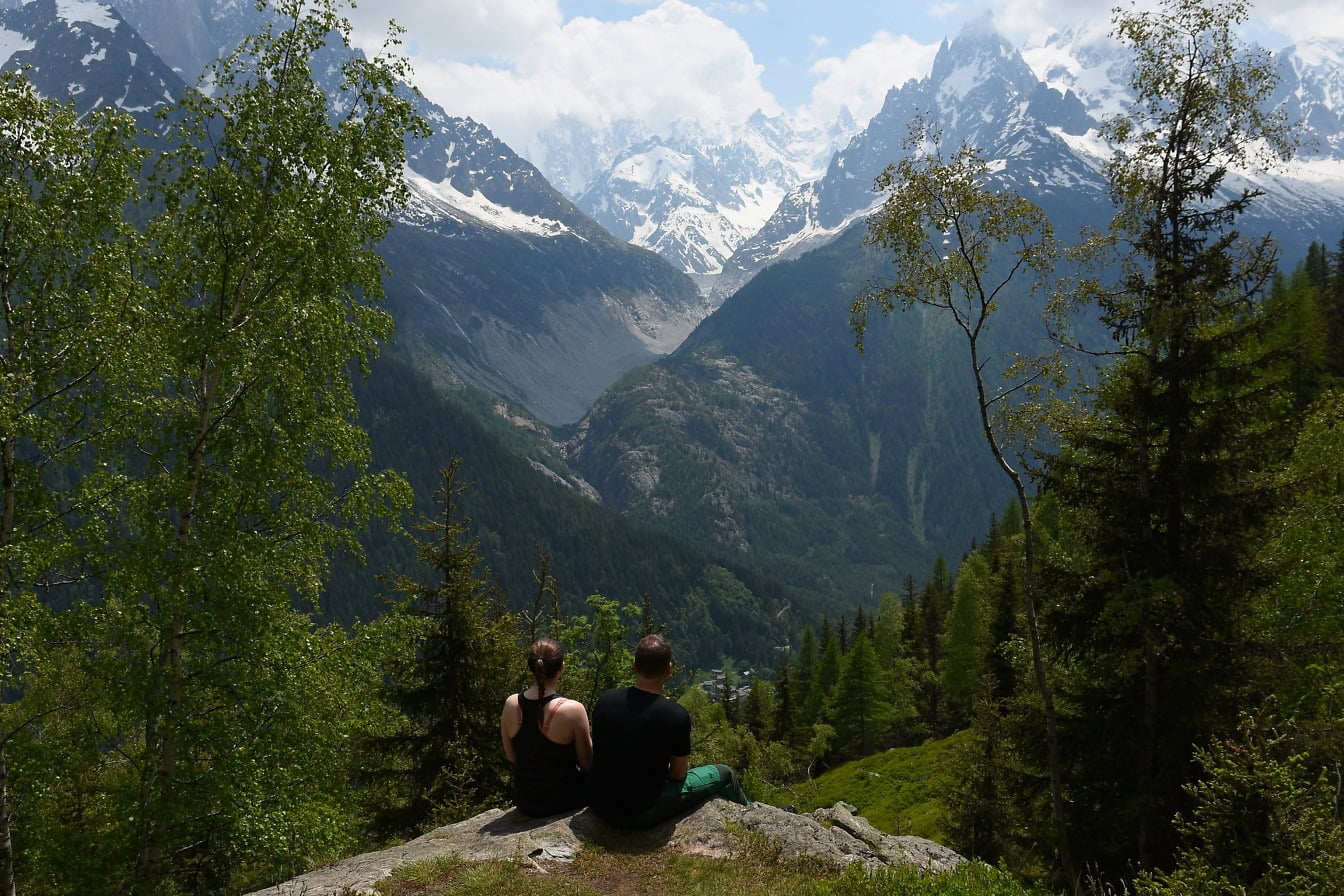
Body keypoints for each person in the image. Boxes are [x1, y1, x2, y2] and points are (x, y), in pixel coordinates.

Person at [588, 634, 749, 828]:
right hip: (638, 813)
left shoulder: (606, 699)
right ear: (669, 670)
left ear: (634, 665)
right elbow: (678, 775)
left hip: (599, 805)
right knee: (724, 774)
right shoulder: (675, 715)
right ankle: (752, 820)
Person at [500, 638, 592, 817]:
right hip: (564, 800)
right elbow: (587, 764)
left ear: (531, 667)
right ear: (562, 667)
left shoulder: (511, 704)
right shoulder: (572, 710)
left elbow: (511, 756)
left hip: (525, 801)